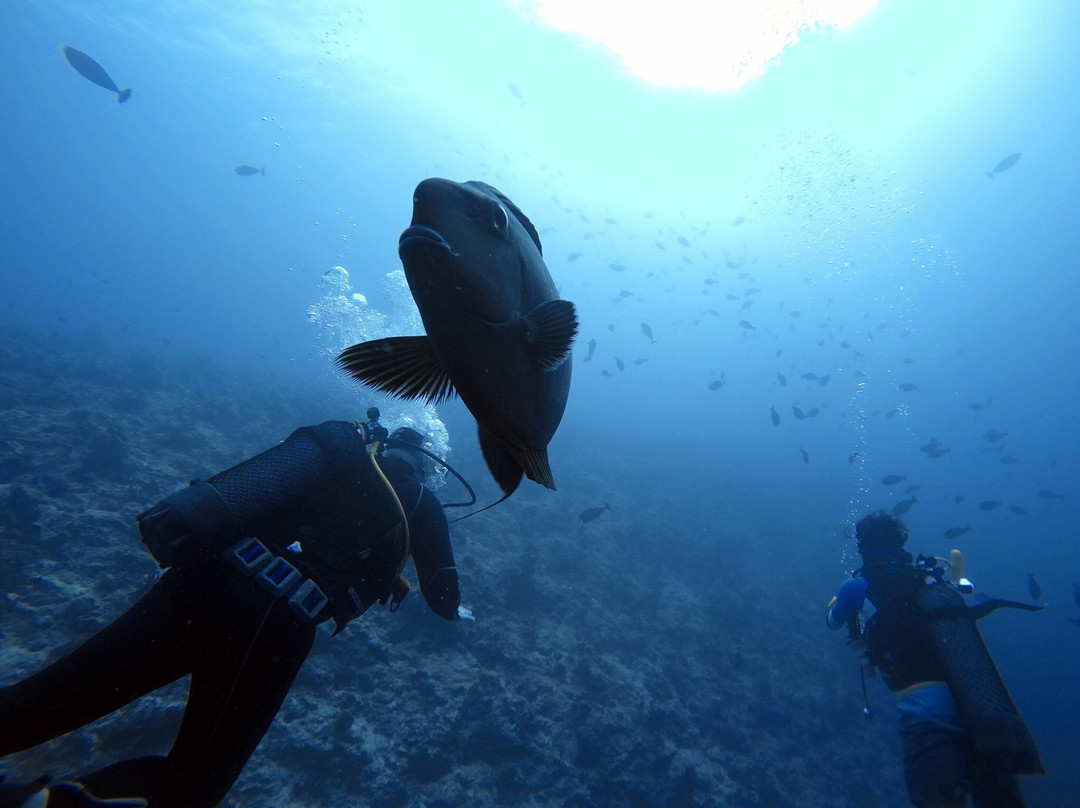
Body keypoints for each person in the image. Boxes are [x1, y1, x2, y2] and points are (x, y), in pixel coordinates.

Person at [0, 413, 469, 808]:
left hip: (200, 584)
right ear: (427, 467)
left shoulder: (339, 456)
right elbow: (444, 600)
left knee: (47, 701)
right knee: (193, 782)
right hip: (272, 626)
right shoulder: (422, 501)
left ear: (387, 443)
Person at [827, 511, 1045, 808]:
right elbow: (961, 603)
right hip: (976, 699)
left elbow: (833, 622)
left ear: (862, 546)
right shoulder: (929, 578)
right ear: (900, 542)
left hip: (926, 712)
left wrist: (838, 604)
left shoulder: (855, 586)